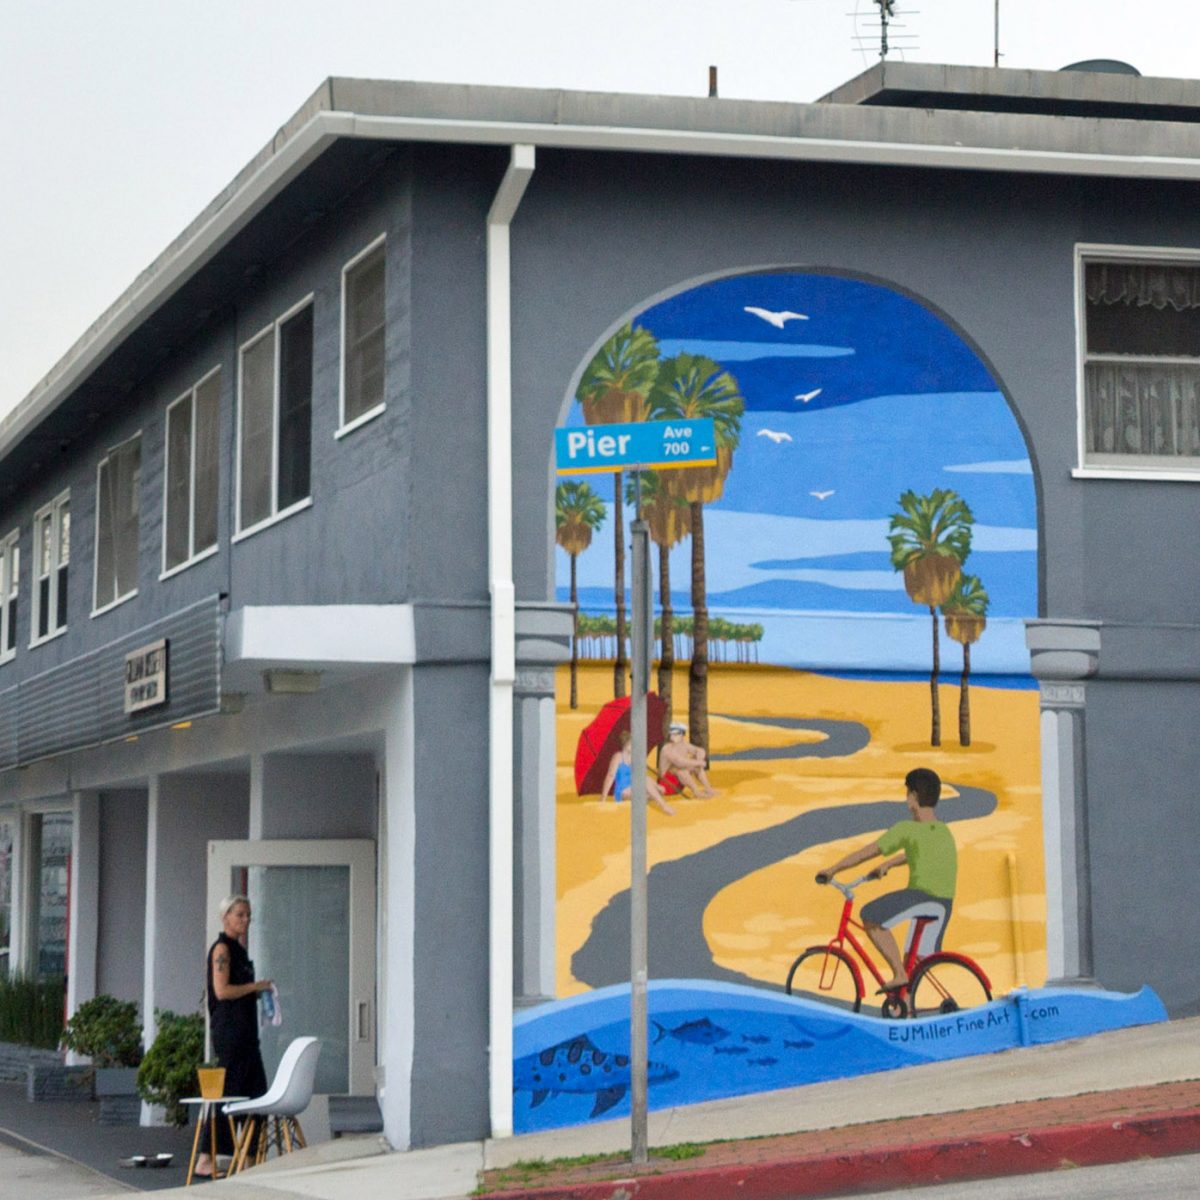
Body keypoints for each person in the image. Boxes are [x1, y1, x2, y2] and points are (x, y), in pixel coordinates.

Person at [814, 767, 956, 993]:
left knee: (870, 916)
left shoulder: (907, 829)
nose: (905, 798)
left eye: (907, 793)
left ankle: (898, 974)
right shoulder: (942, 831)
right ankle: (905, 1008)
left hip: (922, 897)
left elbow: (867, 852)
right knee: (912, 966)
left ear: (914, 797)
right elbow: (921, 854)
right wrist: (889, 864)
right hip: (942, 904)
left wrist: (833, 870)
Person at [194, 895, 273, 1179]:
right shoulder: (222, 950)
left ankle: (251, 1157)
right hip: (230, 1033)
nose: (245, 920)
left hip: (247, 1034)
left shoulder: (239, 952)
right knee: (229, 1095)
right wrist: (255, 987)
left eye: (248, 914)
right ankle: (207, 1157)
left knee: (258, 1095)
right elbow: (222, 991)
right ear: (225, 916)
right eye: (240, 914)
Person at [600, 732, 675, 815]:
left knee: (652, 785)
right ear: (626, 743)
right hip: (623, 790)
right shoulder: (618, 756)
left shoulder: (634, 758)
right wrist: (603, 798)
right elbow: (610, 776)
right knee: (649, 786)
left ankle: (654, 793)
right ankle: (663, 805)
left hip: (634, 787)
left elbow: (640, 777)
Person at [657, 722, 717, 797]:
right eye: (672, 734)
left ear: (682, 735)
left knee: (695, 766)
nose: (673, 736)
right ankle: (697, 792)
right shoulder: (667, 749)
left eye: (676, 734)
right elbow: (679, 762)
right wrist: (698, 762)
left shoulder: (684, 745)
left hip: (679, 784)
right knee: (680, 769)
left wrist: (700, 755)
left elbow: (699, 750)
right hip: (667, 784)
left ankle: (709, 789)